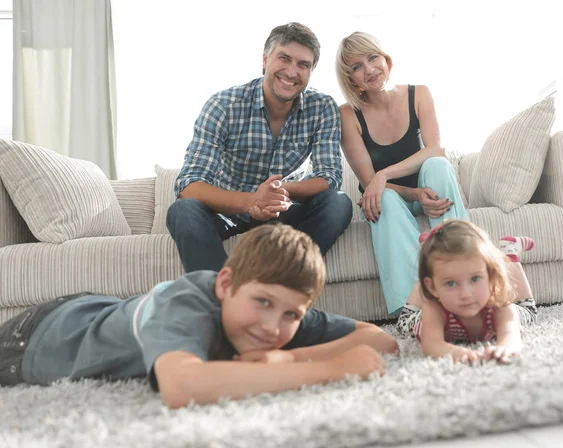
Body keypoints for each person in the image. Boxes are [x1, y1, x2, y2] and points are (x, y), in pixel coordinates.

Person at [0, 224, 399, 408]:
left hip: (103, 309)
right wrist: (329, 368)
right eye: (262, 302)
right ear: (225, 285)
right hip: (37, 337)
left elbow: (380, 339)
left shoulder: (277, 311)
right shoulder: (186, 304)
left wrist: (287, 356)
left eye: (292, 314)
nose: (271, 326)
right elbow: (181, 387)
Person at [168, 22, 352, 273]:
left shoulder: (322, 108)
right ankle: (221, 299)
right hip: (227, 211)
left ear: (311, 71)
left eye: (303, 64)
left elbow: (329, 176)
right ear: (265, 60)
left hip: (283, 212)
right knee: (183, 210)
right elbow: (189, 185)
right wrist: (252, 200)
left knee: (338, 202)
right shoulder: (223, 105)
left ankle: (282, 286)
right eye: (284, 58)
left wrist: (278, 193)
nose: (291, 71)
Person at [335, 31, 469, 315]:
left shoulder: (418, 94)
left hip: (427, 189)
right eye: (357, 67)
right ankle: (414, 308)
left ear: (386, 60)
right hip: (390, 198)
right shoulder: (347, 115)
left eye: (373, 58)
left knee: (437, 166)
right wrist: (390, 185)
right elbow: (368, 183)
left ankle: (465, 273)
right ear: (350, 79)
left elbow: (435, 150)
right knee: (381, 196)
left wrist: (384, 174)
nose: (369, 70)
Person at [396, 219, 537, 364]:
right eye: (451, 283)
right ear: (433, 288)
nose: (465, 294)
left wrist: (505, 348)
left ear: (491, 276)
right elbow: (431, 344)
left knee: (529, 312)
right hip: (426, 313)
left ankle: (510, 253)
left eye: (475, 279)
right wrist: (457, 352)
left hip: (491, 296)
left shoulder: (500, 305)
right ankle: (428, 257)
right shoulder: (433, 307)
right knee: (403, 324)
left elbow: (511, 334)